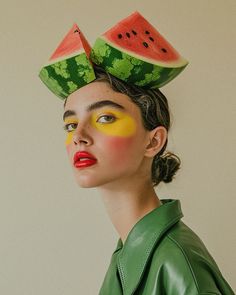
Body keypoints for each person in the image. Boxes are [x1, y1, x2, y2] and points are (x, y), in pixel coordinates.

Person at [62, 64, 234, 295]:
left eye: (105, 118)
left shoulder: (177, 263)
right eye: (71, 125)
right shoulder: (129, 253)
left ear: (153, 142)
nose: (79, 136)